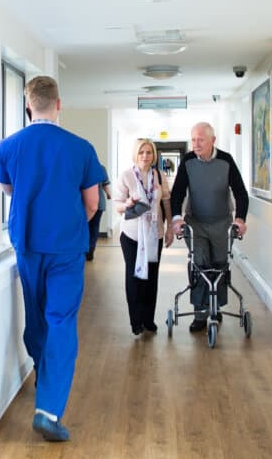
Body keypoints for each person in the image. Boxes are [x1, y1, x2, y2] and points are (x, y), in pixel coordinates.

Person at [0, 76, 105, 442]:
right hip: (65, 249)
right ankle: (48, 409)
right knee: (60, 320)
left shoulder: (8, 147)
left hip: (27, 245)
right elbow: (92, 203)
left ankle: (44, 374)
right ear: (59, 104)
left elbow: (10, 189)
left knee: (37, 317)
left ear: (29, 107)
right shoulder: (81, 148)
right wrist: (72, 225)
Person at [169, 122, 249, 332]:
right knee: (201, 265)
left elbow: (240, 192)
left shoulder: (226, 160)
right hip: (195, 222)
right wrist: (177, 218)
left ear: (212, 140)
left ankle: (215, 307)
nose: (195, 144)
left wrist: (240, 219)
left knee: (220, 265)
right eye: (193, 139)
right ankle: (200, 315)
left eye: (200, 140)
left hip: (222, 222)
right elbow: (177, 191)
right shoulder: (187, 161)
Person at [114, 139, 174, 335]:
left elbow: (165, 201)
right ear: (135, 154)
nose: (145, 156)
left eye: (149, 152)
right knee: (135, 276)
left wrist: (169, 228)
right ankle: (136, 321)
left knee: (151, 278)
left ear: (154, 155)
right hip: (131, 234)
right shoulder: (126, 176)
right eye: (141, 152)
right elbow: (117, 206)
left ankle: (149, 319)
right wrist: (128, 203)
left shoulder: (158, 175)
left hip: (153, 233)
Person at [85, 165, 111, 261]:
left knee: (85, 227)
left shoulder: (82, 166)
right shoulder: (101, 168)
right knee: (95, 227)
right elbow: (105, 184)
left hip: (84, 203)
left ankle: (86, 249)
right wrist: (109, 194)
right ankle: (91, 248)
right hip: (99, 202)